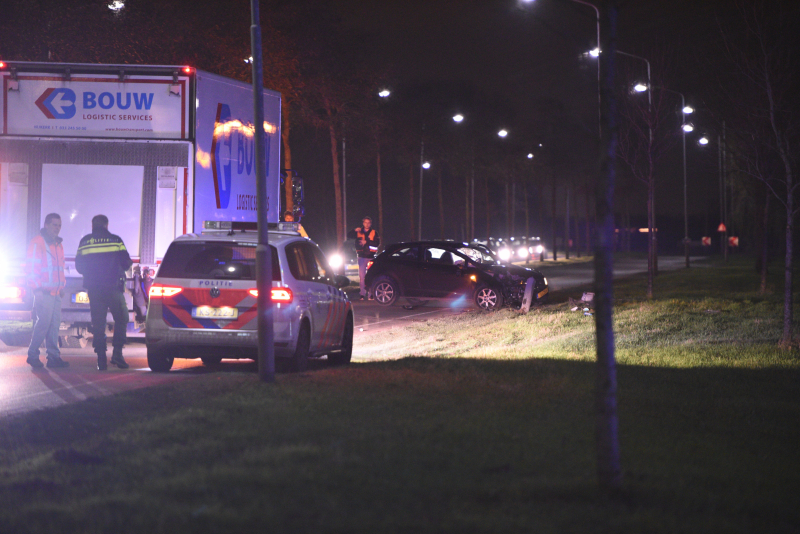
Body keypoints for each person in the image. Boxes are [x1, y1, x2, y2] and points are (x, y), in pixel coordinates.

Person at [75, 215, 133, 370]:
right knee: (122, 318)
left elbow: (79, 267)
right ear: (107, 225)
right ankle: (117, 354)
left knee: (98, 323)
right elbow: (126, 263)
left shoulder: (85, 241)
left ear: (92, 226)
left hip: (94, 289)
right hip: (113, 288)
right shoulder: (116, 240)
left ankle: (101, 359)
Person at [25, 213, 69, 369]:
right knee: (43, 325)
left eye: (59, 225)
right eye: (54, 225)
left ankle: (53, 357)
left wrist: (61, 287)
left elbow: (59, 268)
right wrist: (36, 290)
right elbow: (31, 269)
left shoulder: (57, 244)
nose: (57, 228)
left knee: (54, 326)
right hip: (43, 293)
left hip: (56, 293)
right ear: (46, 225)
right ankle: (32, 355)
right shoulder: (38, 243)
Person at [347, 216, 380, 300]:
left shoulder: (374, 232)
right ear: (363, 223)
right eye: (365, 222)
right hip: (361, 257)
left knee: (371, 276)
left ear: (370, 223)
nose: (367, 224)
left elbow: (377, 243)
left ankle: (371, 294)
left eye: (368, 222)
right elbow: (348, 235)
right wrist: (354, 230)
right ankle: (362, 294)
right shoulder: (358, 231)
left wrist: (367, 242)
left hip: (371, 257)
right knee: (362, 277)